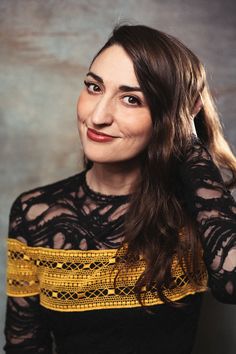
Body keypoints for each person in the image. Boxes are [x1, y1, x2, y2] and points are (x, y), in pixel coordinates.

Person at [4, 24, 236, 354]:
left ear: (174, 115)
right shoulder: (34, 213)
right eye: (93, 87)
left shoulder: (195, 211)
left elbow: (231, 282)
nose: (97, 116)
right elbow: (24, 347)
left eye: (131, 99)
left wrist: (188, 140)